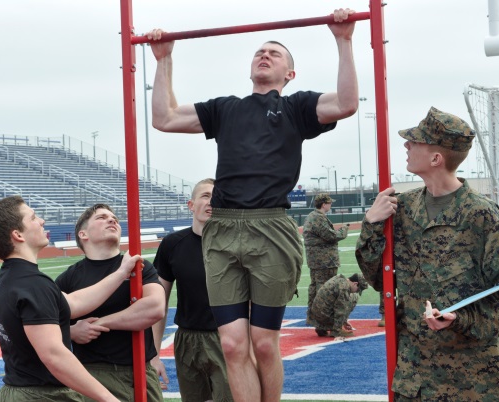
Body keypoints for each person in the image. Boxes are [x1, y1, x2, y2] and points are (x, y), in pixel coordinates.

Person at [147, 8, 358, 402]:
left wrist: (343, 40)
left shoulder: (296, 107)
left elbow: (346, 103)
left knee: (263, 343)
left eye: (275, 54)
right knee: (232, 345)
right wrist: (164, 59)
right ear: (249, 69)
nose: (264, 55)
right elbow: (164, 117)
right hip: (223, 229)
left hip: (269, 227)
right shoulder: (226, 108)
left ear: (289, 74)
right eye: (259, 51)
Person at [355, 107, 499, 401]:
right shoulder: (401, 209)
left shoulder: (481, 216)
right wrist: (372, 225)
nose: (406, 146)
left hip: (474, 377)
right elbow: (379, 280)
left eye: (416, 142)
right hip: (417, 375)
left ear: (436, 159)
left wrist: (462, 319)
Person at [0, 195, 141, 402]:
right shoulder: (33, 284)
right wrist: (110, 399)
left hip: (19, 390)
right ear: (18, 235)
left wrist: (121, 273)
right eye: (33, 218)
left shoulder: (9, 278)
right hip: (40, 395)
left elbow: (72, 303)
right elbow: (54, 356)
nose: (42, 221)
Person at [55, 204, 166, 402]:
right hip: (93, 374)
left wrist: (99, 324)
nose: (112, 220)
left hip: (140, 370)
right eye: (102, 217)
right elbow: (45, 323)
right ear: (83, 234)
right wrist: (71, 332)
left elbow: (154, 308)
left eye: (114, 218)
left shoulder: (139, 267)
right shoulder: (69, 278)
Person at [150, 179, 233, 402]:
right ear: (191, 204)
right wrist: (154, 354)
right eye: (205, 196)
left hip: (228, 337)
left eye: (216, 197)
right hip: (187, 340)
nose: (210, 202)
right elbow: (159, 302)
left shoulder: (236, 243)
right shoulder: (172, 244)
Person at [302, 193, 349, 334]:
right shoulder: (318, 217)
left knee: (316, 290)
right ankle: (324, 325)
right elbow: (332, 236)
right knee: (325, 292)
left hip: (318, 261)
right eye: (329, 203)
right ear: (324, 204)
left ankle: (319, 323)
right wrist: (344, 229)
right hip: (324, 261)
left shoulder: (313, 216)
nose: (331, 205)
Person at [307, 273, 368, 339]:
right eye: (358, 289)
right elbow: (340, 310)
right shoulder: (344, 288)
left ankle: (321, 328)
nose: (356, 291)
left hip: (316, 316)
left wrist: (344, 321)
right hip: (324, 317)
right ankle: (336, 330)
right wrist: (338, 330)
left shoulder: (339, 279)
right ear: (355, 284)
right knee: (354, 297)